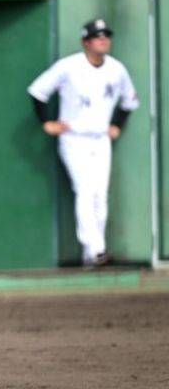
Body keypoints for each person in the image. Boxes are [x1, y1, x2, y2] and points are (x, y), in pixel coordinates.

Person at [28, 18, 139, 267]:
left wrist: (117, 125)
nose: (103, 40)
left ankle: (93, 254)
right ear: (85, 41)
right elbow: (37, 91)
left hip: (100, 139)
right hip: (74, 138)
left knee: (100, 194)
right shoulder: (69, 66)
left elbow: (129, 101)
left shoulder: (116, 69)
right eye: (97, 36)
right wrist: (47, 123)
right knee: (86, 191)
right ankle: (95, 249)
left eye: (106, 36)